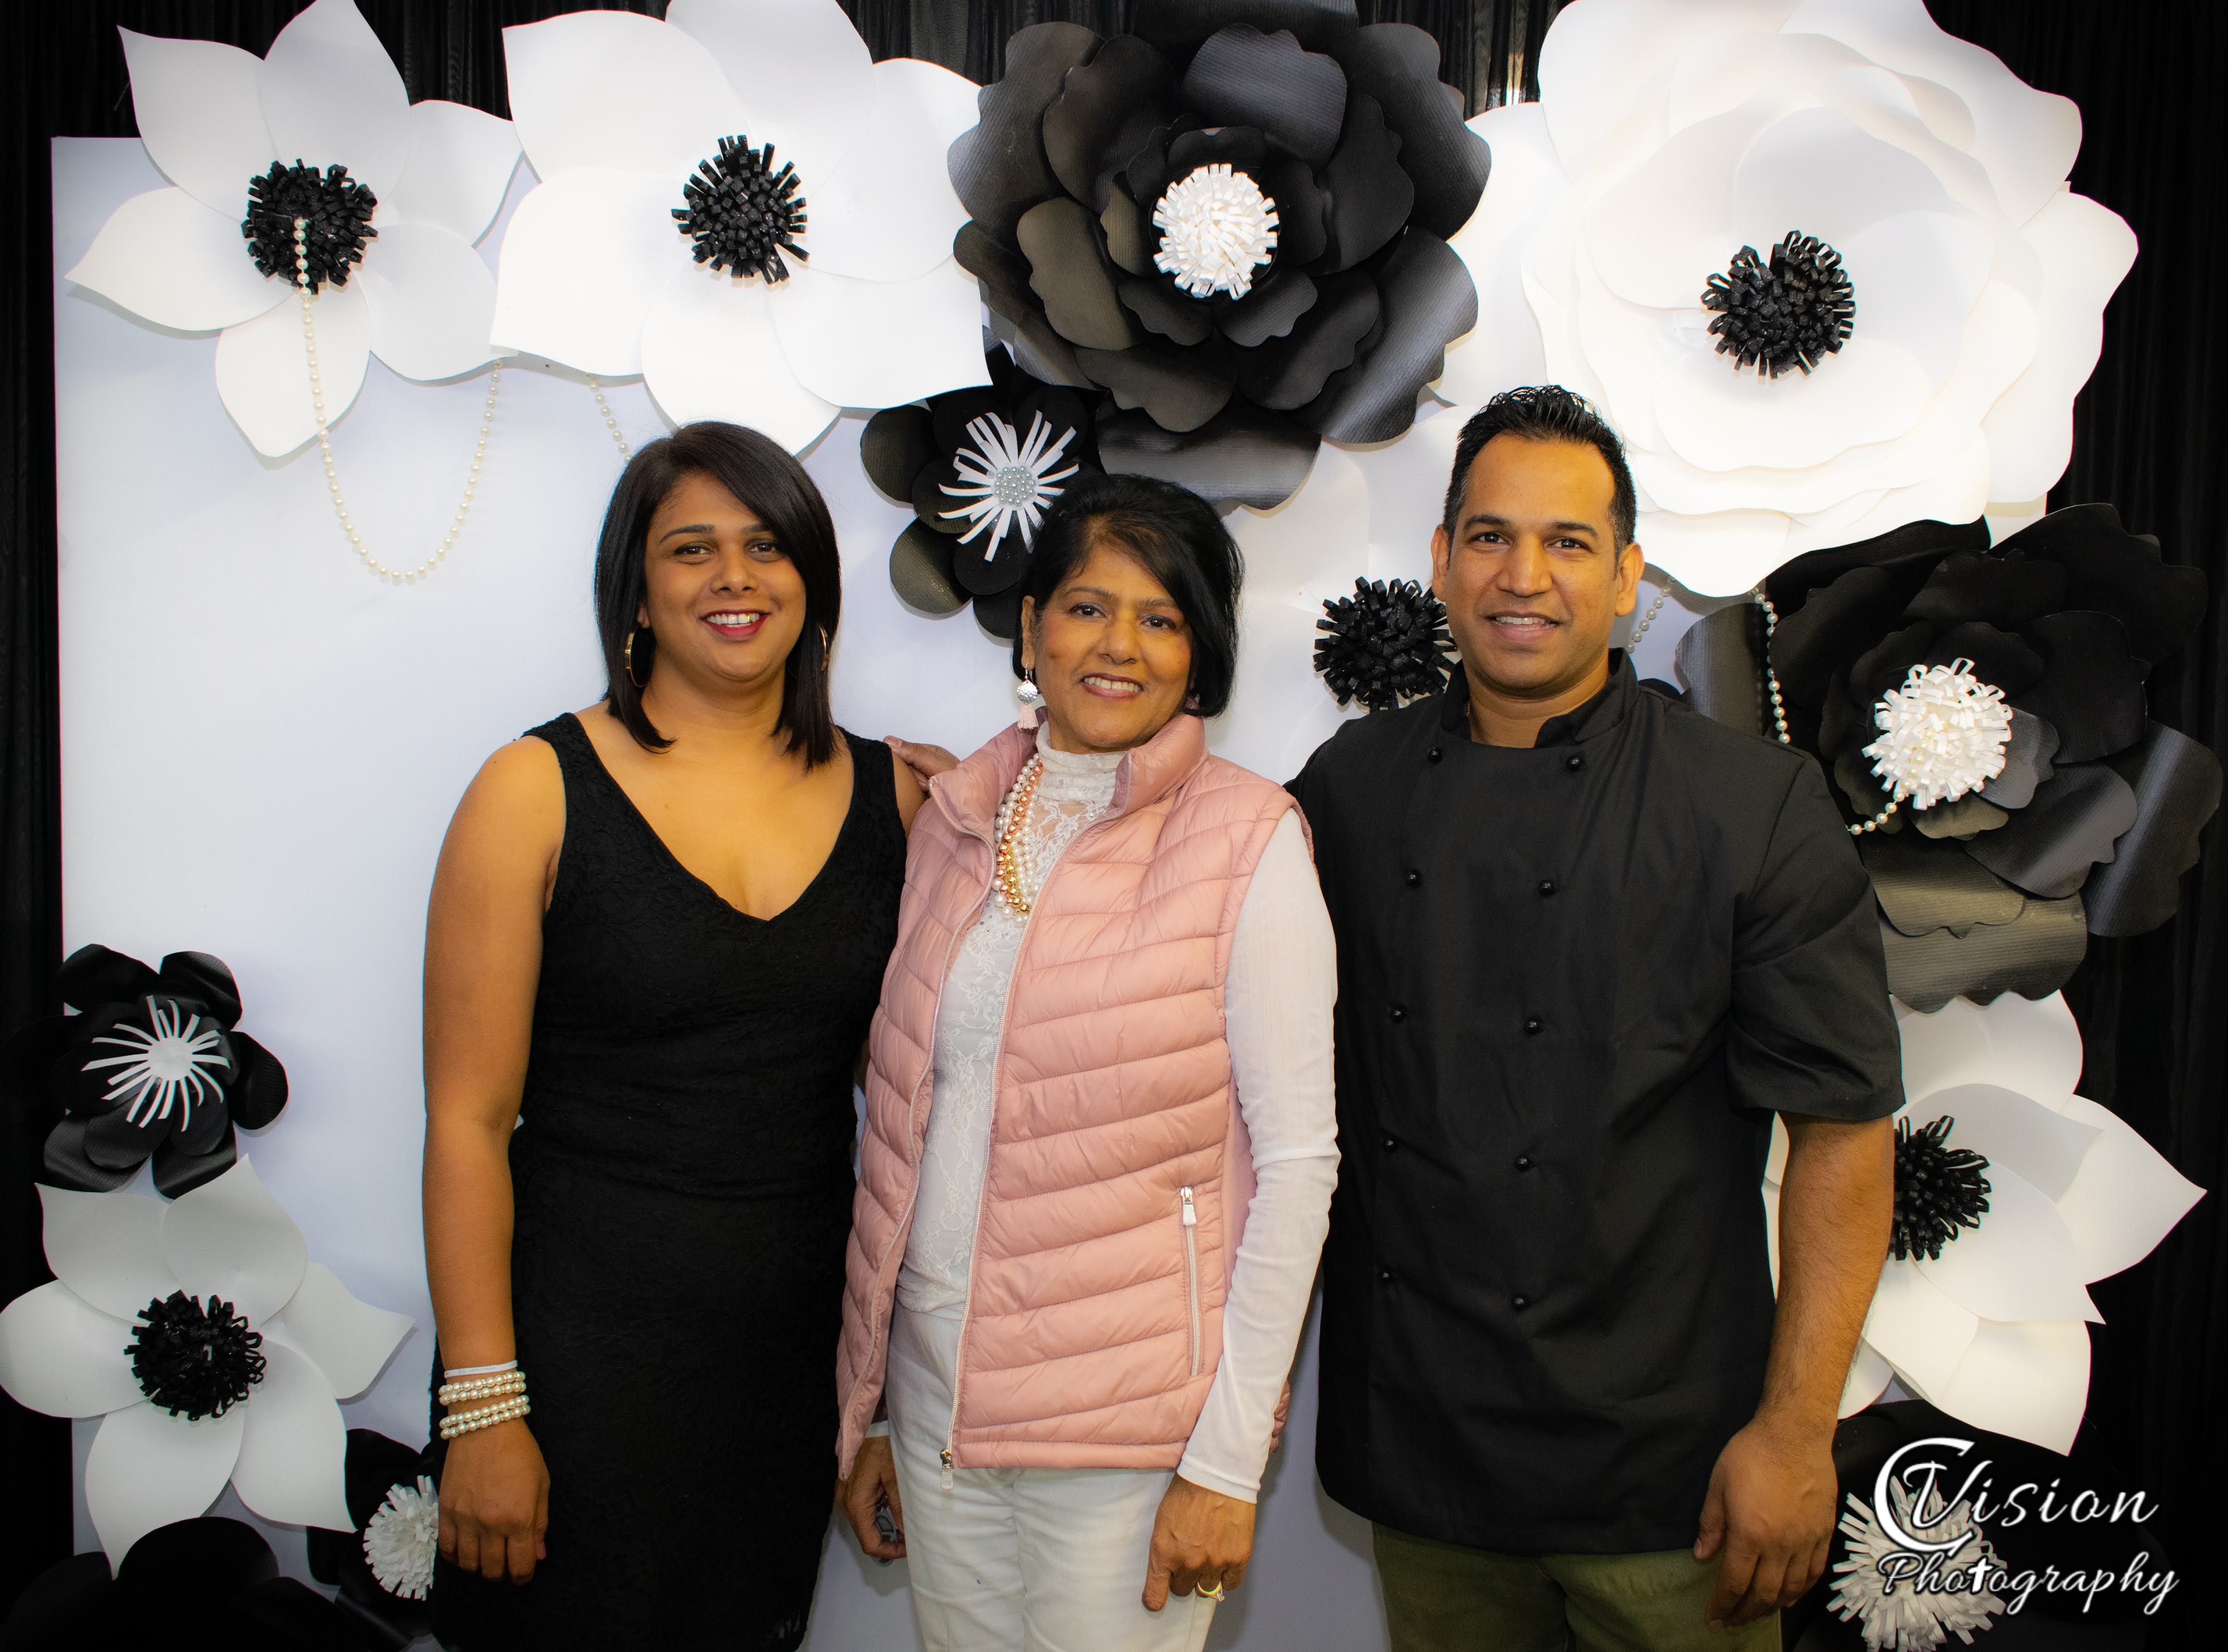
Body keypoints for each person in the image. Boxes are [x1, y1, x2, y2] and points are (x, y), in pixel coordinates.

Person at [1289, 386, 1901, 1652]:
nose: (1522, 576)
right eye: (1489, 536)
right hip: (1427, 1446)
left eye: (1566, 542)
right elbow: (1190, 909)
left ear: (1626, 577)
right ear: (1440, 560)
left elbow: (1842, 1133)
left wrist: (1796, 1432)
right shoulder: (1351, 788)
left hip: (1670, 1477)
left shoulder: (1747, 805)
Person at [420, 422, 922, 1651]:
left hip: (783, 1370)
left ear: (813, 582)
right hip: (571, 1361)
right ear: (636, 593)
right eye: (692, 548)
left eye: (766, 545)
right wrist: (483, 1406)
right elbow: (467, 1124)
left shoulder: (903, 800)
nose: (734, 576)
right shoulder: (531, 790)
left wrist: (874, 1405)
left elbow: (914, 1132)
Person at [836, 472, 1340, 1652]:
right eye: (1085, 607)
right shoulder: (951, 820)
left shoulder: (1248, 839)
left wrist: (1225, 1461)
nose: (1119, 646)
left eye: (1160, 618)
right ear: (1030, 628)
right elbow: (909, 1126)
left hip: (1128, 1440)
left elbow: (1298, 1166)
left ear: (1199, 651)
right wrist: (877, 1411)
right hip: (938, 1404)